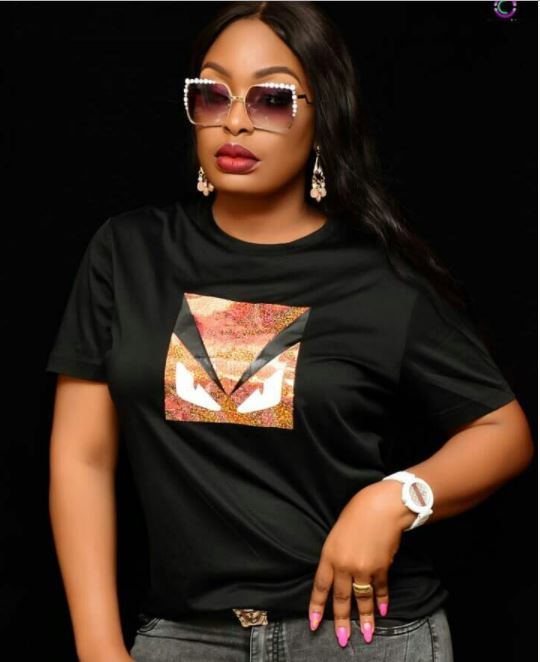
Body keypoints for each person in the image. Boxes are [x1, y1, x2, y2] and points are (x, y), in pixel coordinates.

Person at [45, 3, 534, 661]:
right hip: (186, 636)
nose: (235, 120)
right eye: (213, 94)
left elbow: (503, 432)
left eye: (271, 99)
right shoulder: (128, 253)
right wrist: (99, 647)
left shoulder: (382, 278)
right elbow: (82, 458)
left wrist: (394, 500)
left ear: (323, 117)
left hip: (362, 636)